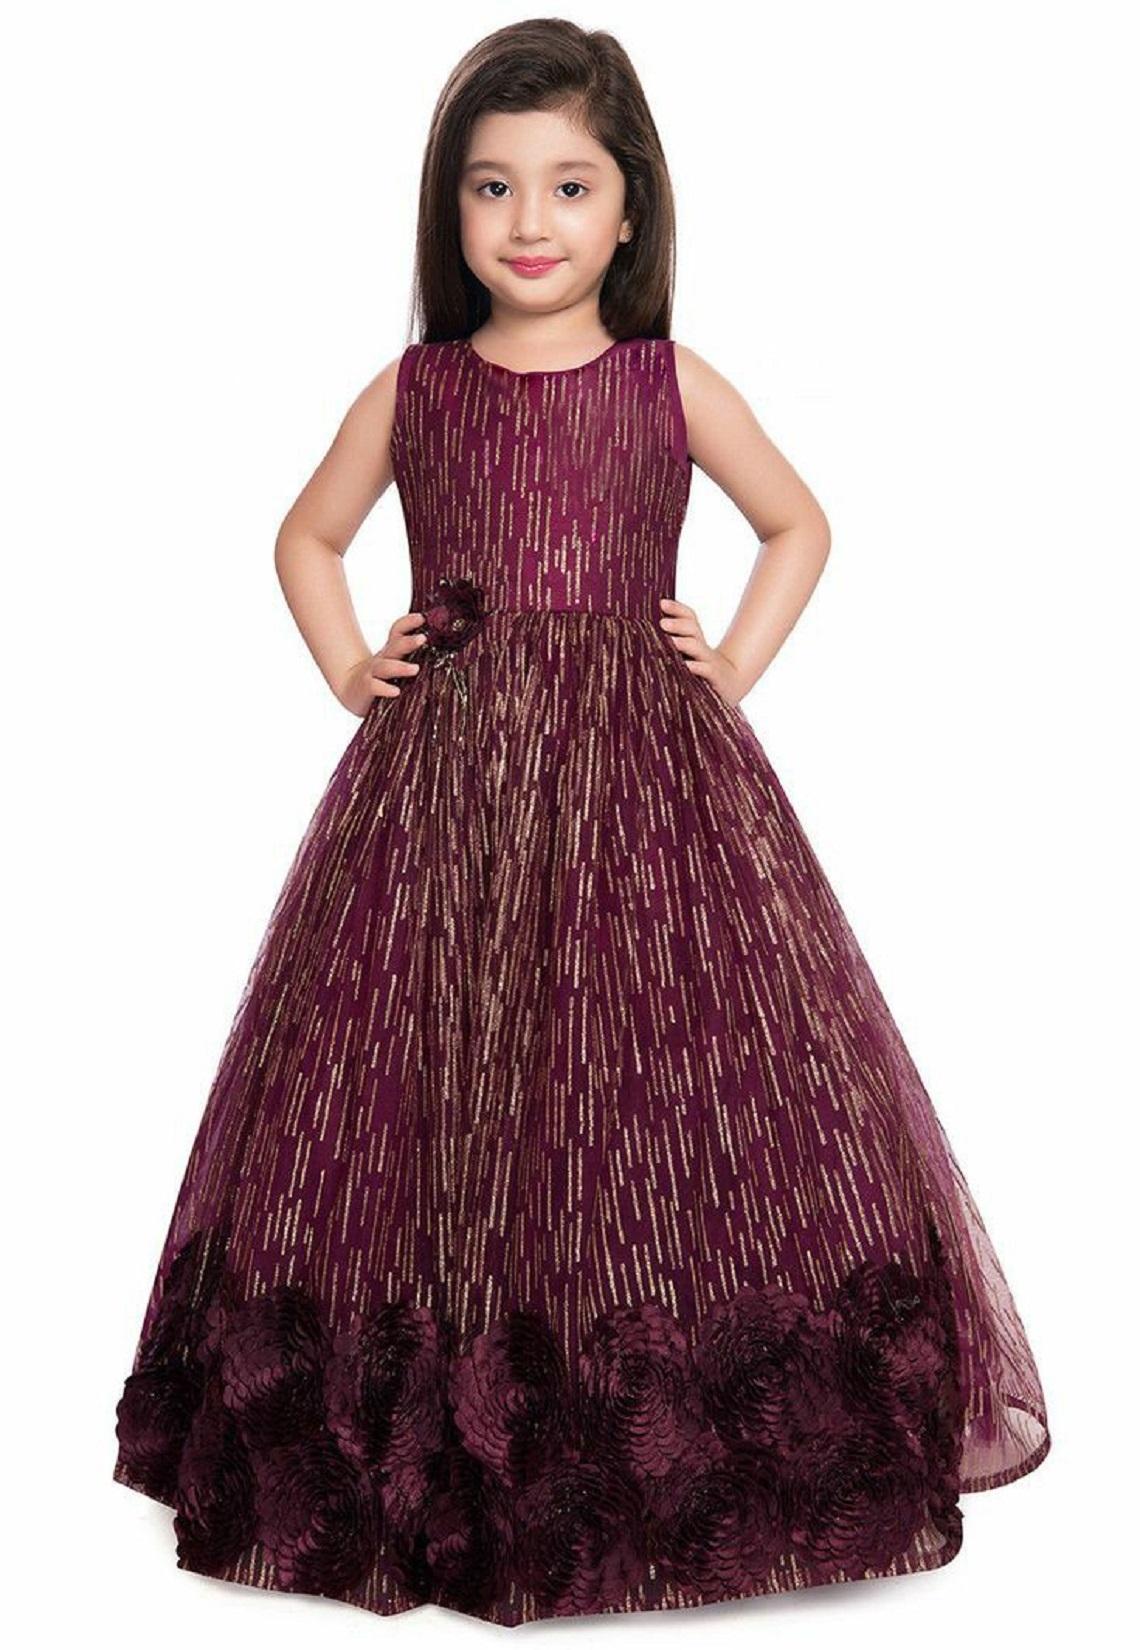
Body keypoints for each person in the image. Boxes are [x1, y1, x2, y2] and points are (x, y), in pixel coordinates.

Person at [112, 16, 1051, 1629]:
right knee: (453, 1071)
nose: (528, 220)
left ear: (630, 213)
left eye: (568, 185)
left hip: (644, 792)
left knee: (638, 1074)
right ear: (449, 209)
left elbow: (799, 521)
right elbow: (306, 536)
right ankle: (456, 1415)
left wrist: (729, 663)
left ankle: (630, 1425)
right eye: (491, 186)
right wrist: (350, 666)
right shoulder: (414, 390)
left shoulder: (665, 383)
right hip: (449, 797)